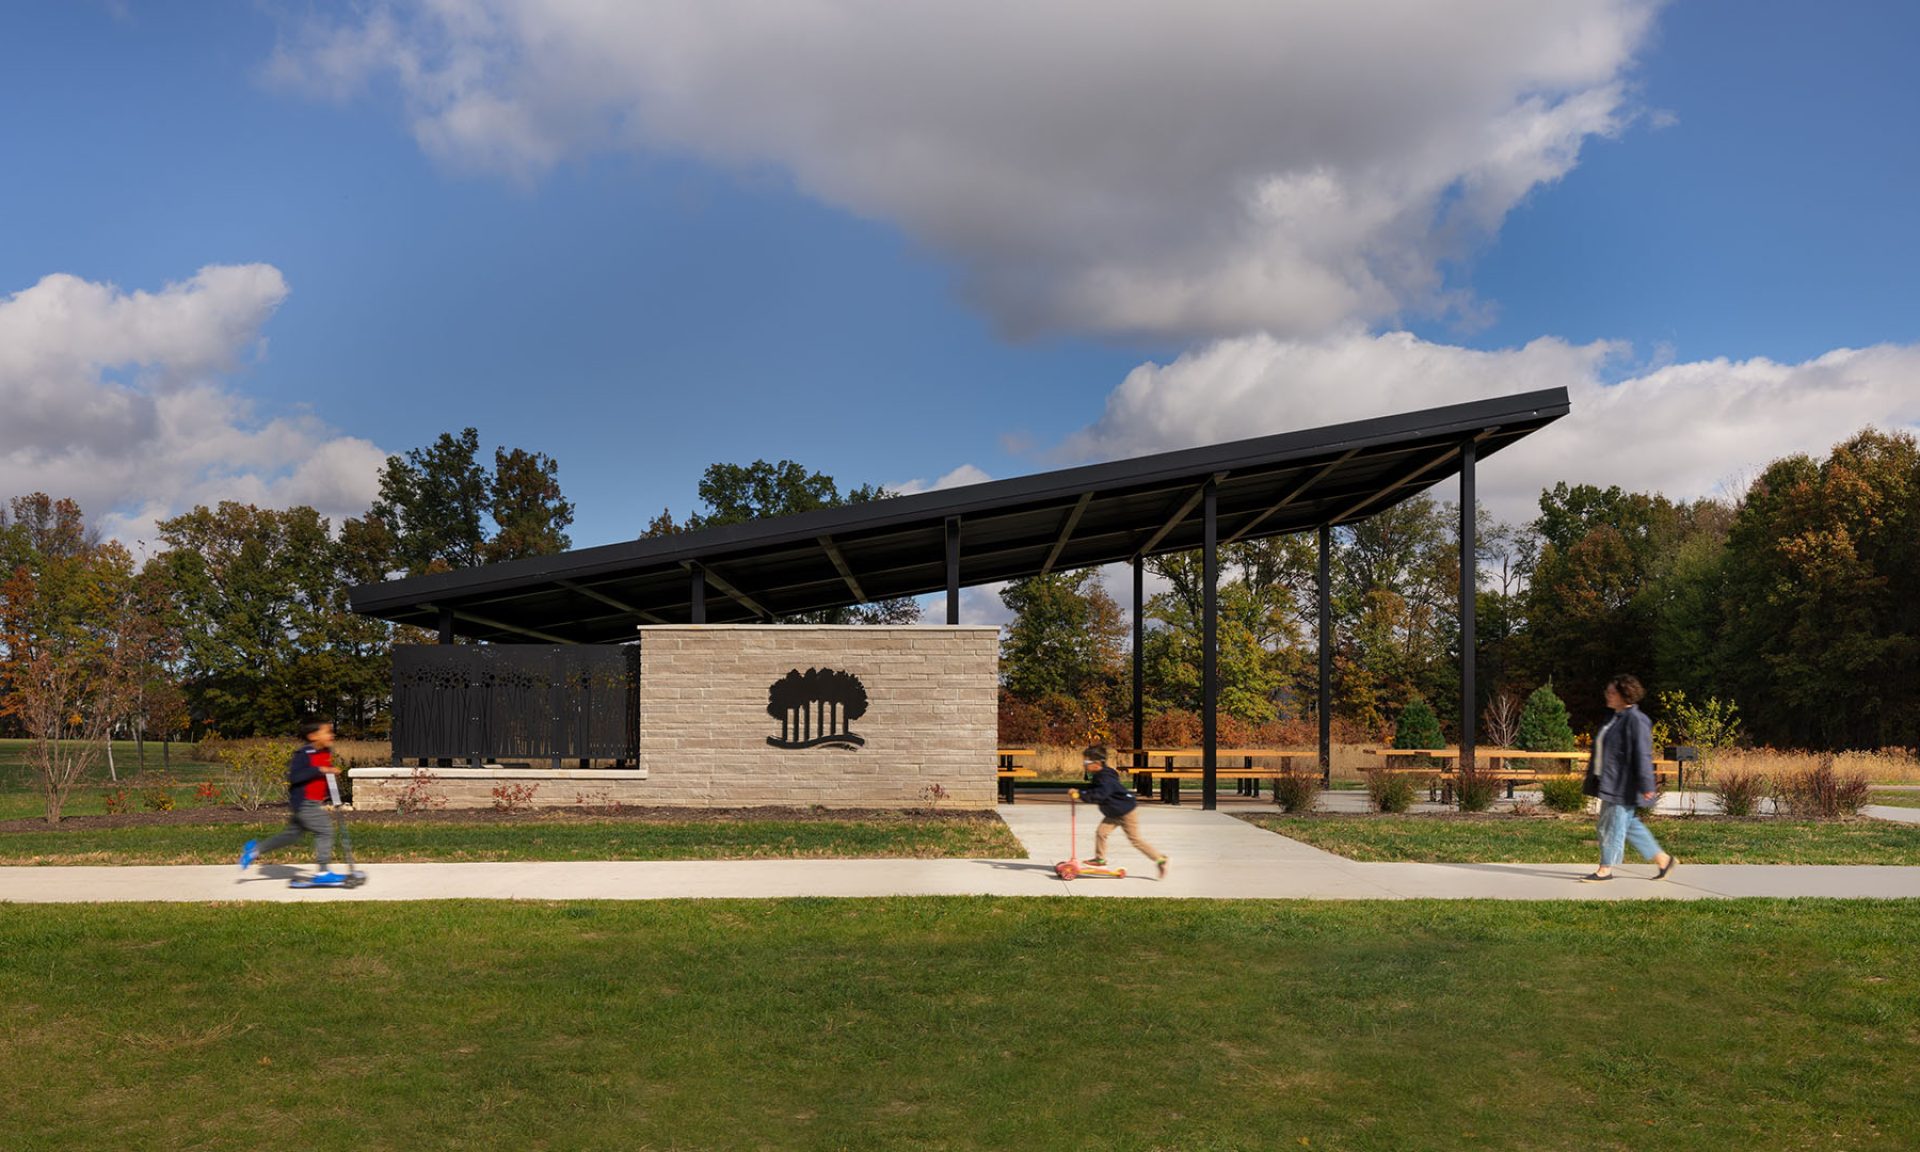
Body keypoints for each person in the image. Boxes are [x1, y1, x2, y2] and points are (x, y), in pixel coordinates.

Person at [1581, 675, 1676, 883]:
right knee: (1629, 824)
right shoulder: (1614, 717)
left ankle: (1605, 869)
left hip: (1623, 784)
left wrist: (1646, 784)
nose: (1608, 695)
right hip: (1611, 781)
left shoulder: (1636, 720)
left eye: (1612, 692)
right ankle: (1664, 860)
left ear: (1625, 695)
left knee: (1610, 826)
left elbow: (1642, 754)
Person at [239, 718, 343, 881]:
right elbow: (294, 777)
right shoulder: (303, 754)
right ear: (313, 736)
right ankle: (323, 873)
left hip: (313, 802)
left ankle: (253, 851)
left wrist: (331, 795)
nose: (332, 735)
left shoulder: (325, 752)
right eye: (327, 732)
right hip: (304, 803)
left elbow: (323, 778)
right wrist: (319, 769)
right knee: (325, 830)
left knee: (291, 836)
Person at [1070, 744, 1168, 880]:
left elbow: (1099, 794)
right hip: (1114, 812)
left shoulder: (1105, 779)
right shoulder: (1100, 775)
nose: (1084, 764)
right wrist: (1080, 792)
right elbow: (1093, 789)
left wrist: (1080, 795)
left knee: (1135, 840)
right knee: (1101, 833)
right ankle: (1100, 859)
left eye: (1086, 762)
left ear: (1097, 763)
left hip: (1126, 812)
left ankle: (1160, 859)